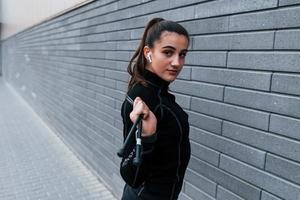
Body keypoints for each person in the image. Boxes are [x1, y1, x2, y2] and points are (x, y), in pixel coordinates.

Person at [120, 17, 191, 200]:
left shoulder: (157, 92)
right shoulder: (143, 97)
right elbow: (131, 175)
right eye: (168, 52)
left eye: (182, 54)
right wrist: (147, 136)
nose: (177, 62)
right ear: (148, 52)